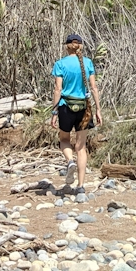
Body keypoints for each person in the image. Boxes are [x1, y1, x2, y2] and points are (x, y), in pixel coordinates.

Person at [49, 33, 102, 192]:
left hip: (66, 106)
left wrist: (54, 111)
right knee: (81, 147)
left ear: (66, 46)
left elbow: (58, 89)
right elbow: (93, 88)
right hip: (84, 108)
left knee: (64, 139)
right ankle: (80, 186)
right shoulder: (88, 63)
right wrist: (98, 109)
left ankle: (69, 161)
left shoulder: (60, 64)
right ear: (81, 46)